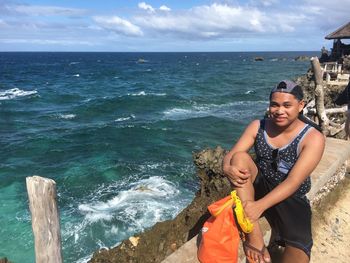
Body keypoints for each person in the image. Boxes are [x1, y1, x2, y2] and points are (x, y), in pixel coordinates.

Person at [223, 80, 325, 263]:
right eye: (274, 105)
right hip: (261, 185)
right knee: (239, 158)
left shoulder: (313, 137)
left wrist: (259, 206)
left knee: (299, 254)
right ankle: (254, 235)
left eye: (287, 105)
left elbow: (293, 181)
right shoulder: (258, 126)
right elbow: (232, 154)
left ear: (301, 106)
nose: (279, 111)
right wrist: (226, 167)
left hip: (291, 196)